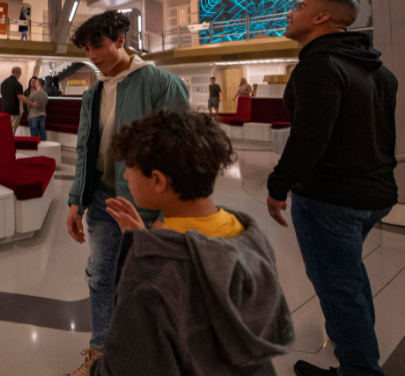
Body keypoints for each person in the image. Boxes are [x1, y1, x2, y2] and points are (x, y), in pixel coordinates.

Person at [94, 109, 294, 375]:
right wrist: (148, 239)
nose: (126, 176)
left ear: (158, 180)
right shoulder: (249, 235)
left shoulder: (148, 274)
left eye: (130, 167)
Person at [266, 0, 398, 376]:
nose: (291, 12)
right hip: (374, 194)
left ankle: (358, 370)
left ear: (322, 18)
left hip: (331, 198)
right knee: (349, 280)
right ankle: (355, 355)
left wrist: (277, 186)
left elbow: (309, 138)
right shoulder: (378, 70)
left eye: (300, 6)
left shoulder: (319, 65)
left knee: (338, 289)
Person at [65, 10, 188, 376]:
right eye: (87, 50)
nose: (92, 56)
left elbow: (182, 152)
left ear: (121, 41)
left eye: (98, 46)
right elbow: (84, 151)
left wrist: (169, 213)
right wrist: (76, 200)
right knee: (100, 277)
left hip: (146, 205)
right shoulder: (93, 94)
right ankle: (100, 355)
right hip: (102, 200)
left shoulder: (161, 84)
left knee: (146, 283)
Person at [0, 66, 38, 135]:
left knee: (6, 128)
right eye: (20, 73)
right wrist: (32, 103)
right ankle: (10, 142)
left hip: (4, 110)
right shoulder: (17, 84)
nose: (20, 75)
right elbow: (20, 96)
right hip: (14, 110)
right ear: (16, 72)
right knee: (12, 129)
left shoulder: (4, 82)